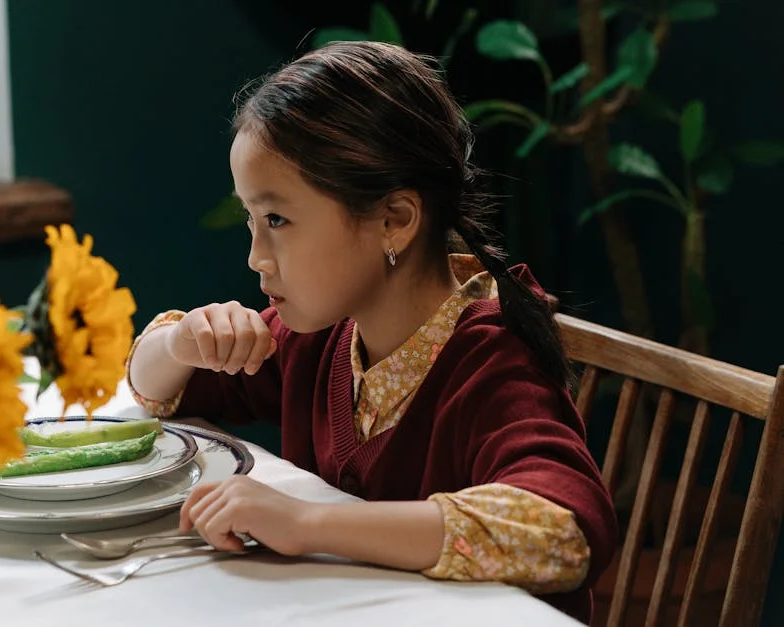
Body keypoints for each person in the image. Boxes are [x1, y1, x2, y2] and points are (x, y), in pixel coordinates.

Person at [127, 41, 617, 623]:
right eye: (251, 221)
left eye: (278, 220)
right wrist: (183, 343)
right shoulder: (321, 332)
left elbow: (563, 529)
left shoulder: (494, 358)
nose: (256, 256)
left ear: (395, 220)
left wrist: (307, 522)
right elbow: (159, 391)